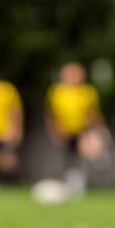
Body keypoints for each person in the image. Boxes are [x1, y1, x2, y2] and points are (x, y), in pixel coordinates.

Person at [44, 62, 107, 196]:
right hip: (65, 131)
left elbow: (93, 112)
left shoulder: (87, 92)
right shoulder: (56, 92)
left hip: (83, 130)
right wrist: (55, 130)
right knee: (70, 157)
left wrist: (99, 129)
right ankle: (72, 185)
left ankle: (94, 164)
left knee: (83, 155)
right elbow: (52, 114)